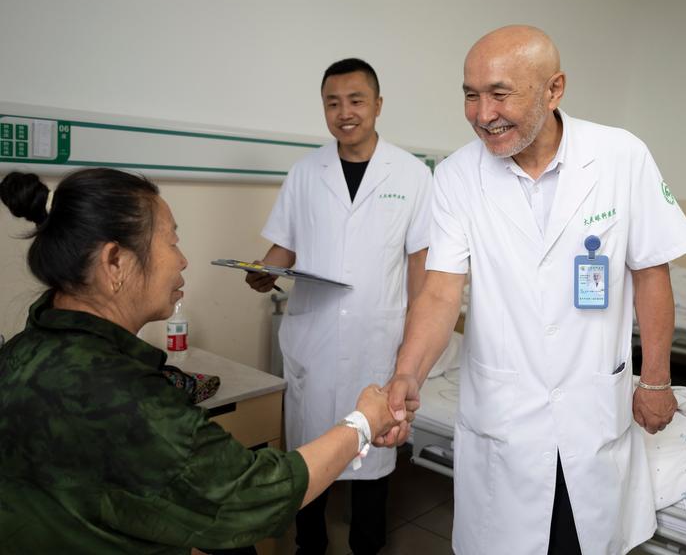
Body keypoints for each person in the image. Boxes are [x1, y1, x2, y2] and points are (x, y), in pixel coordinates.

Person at [377, 25, 686, 554]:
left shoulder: (620, 156)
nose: (484, 114)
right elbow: (439, 292)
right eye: (471, 95)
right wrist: (408, 373)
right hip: (505, 417)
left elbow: (650, 273)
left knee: (583, 540)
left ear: (554, 90)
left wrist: (658, 379)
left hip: (593, 406)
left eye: (500, 94)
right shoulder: (457, 176)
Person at [0, 168, 409, 554]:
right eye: (171, 241)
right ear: (115, 262)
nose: (182, 260)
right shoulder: (126, 397)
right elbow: (253, 495)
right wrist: (363, 422)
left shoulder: (19, 352)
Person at [245, 58, 432, 555]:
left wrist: (413, 341)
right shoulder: (305, 172)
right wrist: (263, 271)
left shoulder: (412, 175)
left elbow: (420, 267)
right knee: (311, 458)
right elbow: (284, 247)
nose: (344, 112)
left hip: (377, 340)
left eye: (355, 100)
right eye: (333, 103)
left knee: (373, 460)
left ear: (378, 105)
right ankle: (310, 547)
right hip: (315, 339)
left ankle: (367, 547)